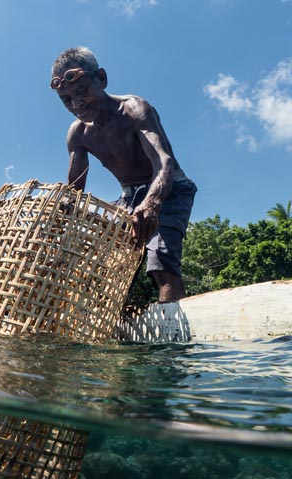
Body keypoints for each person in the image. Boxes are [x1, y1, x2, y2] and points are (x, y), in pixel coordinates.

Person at [51, 47, 196, 303]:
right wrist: (55, 223)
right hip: (128, 199)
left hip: (168, 187)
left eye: (82, 91)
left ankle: (173, 339)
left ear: (101, 79)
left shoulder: (133, 109)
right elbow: (73, 193)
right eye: (67, 99)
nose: (77, 104)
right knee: (110, 272)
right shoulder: (78, 134)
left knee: (161, 260)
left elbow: (164, 162)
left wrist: (151, 204)